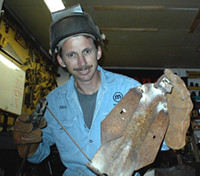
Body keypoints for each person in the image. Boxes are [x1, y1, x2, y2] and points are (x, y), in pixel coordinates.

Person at [13, 4, 192, 176]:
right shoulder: (52, 103)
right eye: (71, 55)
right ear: (61, 61)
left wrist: (172, 122)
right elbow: (38, 156)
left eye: (87, 51)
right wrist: (28, 145)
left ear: (98, 52)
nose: (81, 63)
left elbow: (159, 144)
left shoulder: (131, 90)